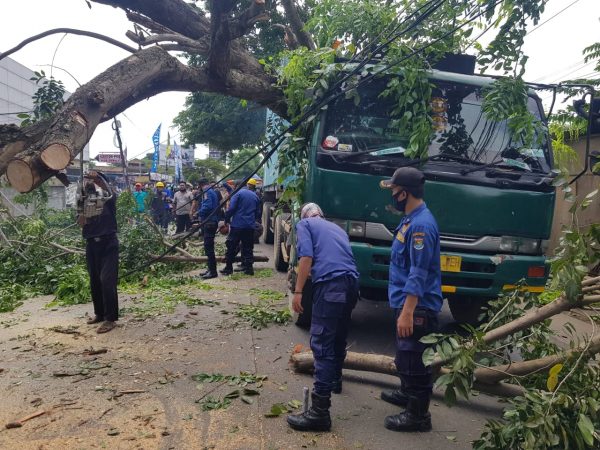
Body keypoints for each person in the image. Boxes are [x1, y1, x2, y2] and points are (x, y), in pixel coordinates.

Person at [379, 167, 442, 432]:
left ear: (404, 193)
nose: (392, 195)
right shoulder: (410, 219)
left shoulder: (421, 226)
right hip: (406, 301)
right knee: (405, 352)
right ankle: (407, 394)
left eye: (394, 191)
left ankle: (418, 416)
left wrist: (408, 311)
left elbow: (419, 272)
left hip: (419, 305)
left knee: (414, 358)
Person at [287, 202, 359, 432]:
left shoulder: (305, 224)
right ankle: (335, 380)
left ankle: (319, 413)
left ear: (305, 216)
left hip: (331, 285)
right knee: (338, 336)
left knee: (321, 344)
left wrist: (298, 291)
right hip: (351, 285)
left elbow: (306, 257)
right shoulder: (337, 229)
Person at [76, 170, 119, 334]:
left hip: (108, 243)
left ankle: (110, 319)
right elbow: (80, 222)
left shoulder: (108, 198)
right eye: (88, 182)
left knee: (106, 280)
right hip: (92, 244)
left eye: (93, 182)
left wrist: (98, 178)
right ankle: (100, 314)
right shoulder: (84, 201)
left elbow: (108, 190)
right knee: (95, 280)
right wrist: (82, 216)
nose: (90, 184)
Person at [221, 179, 261, 275]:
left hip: (237, 225)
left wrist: (226, 220)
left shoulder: (237, 194)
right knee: (248, 247)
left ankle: (228, 268)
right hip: (249, 226)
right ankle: (249, 269)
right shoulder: (255, 195)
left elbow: (231, 209)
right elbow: (258, 213)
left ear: (236, 186)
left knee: (231, 246)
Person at [197, 178, 221, 279]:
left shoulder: (207, 191)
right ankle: (210, 269)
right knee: (208, 247)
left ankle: (213, 272)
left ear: (201, 185)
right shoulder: (211, 191)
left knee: (208, 248)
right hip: (211, 221)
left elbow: (207, 206)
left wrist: (198, 213)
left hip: (209, 222)